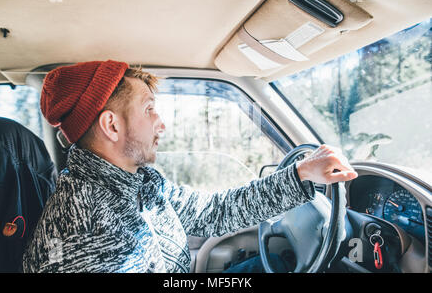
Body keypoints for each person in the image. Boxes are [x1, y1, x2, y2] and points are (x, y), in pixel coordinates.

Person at [22, 60, 358, 273]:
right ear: (112, 126)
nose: (161, 124)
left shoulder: (141, 185)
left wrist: (301, 175)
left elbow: (214, 211)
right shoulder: (85, 232)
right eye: (149, 109)